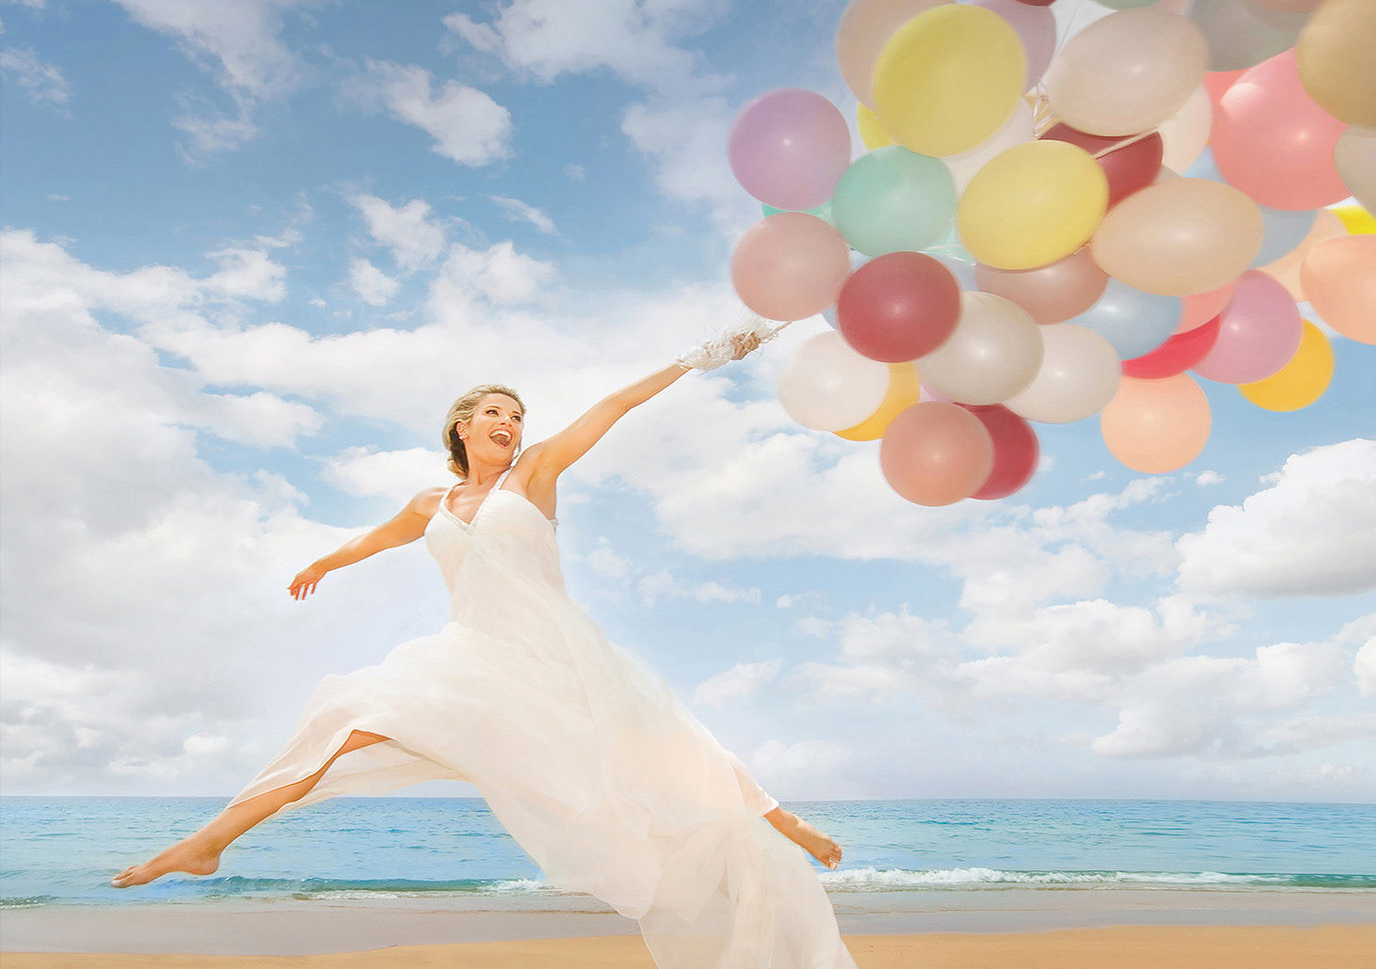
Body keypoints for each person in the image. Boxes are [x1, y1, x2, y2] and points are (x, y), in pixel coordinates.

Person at [111, 329, 856, 968]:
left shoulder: (535, 474)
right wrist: (323, 564)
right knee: (343, 725)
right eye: (495, 412)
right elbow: (376, 538)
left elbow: (617, 406)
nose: (511, 422)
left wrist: (700, 357)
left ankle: (788, 827)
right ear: (462, 426)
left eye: (518, 415)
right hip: (470, 659)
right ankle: (209, 843)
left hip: (554, 655)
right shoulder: (427, 505)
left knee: (666, 749)